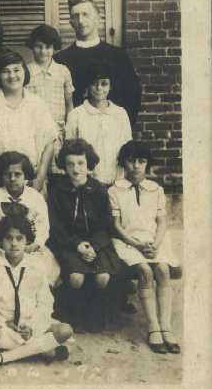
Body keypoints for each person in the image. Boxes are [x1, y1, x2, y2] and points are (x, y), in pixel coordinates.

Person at [109, 141, 181, 354]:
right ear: (124, 163)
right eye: (131, 161)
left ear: (147, 164)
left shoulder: (155, 189)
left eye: (141, 161)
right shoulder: (115, 190)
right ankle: (153, 327)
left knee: (163, 269)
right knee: (145, 270)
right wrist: (137, 244)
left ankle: (166, 327)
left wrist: (156, 244)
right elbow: (116, 226)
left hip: (153, 240)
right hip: (128, 241)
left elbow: (162, 222)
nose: (136, 166)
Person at [47, 139, 123, 332]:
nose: (76, 169)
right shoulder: (57, 191)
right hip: (69, 243)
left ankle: (95, 315)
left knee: (103, 277)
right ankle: (75, 316)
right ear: (64, 166)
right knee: (76, 277)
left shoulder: (98, 190)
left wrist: (94, 246)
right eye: (70, 164)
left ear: (88, 164)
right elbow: (56, 226)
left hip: (98, 243)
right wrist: (78, 245)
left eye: (80, 163)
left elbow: (106, 225)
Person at [0, 214, 73, 366]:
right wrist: (3, 323)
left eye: (19, 238)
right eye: (9, 238)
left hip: (29, 327)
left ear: (27, 240)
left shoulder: (37, 266)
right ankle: (42, 350)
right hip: (4, 328)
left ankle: (5, 357)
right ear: (1, 241)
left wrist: (32, 327)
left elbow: (45, 303)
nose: (14, 243)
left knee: (65, 330)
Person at [0, 51, 58, 192]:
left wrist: (39, 178)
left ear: (24, 71)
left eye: (16, 70)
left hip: (31, 181)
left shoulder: (37, 104)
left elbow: (50, 143)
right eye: (6, 72)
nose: (12, 76)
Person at [54, 0, 142, 126]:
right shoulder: (60, 59)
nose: (81, 20)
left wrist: (119, 126)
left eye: (86, 14)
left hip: (111, 130)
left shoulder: (117, 56)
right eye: (76, 16)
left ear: (98, 18)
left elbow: (132, 95)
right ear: (71, 22)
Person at [0, 151, 60, 286]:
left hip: (30, 248)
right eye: (8, 175)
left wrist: (35, 244)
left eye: (17, 174)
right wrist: (4, 245)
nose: (12, 178)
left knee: (38, 271)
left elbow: (43, 227)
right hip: (4, 248)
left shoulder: (36, 198)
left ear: (26, 176)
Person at [66, 66, 132, 186]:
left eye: (104, 84)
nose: (99, 88)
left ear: (110, 86)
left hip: (117, 182)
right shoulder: (76, 115)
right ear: (87, 86)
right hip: (86, 183)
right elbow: (70, 152)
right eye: (94, 84)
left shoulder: (120, 113)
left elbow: (127, 148)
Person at [24, 24, 74, 175]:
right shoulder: (26, 71)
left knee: (58, 173)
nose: (43, 51)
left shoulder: (63, 71)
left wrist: (69, 131)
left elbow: (69, 104)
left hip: (57, 131)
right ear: (32, 47)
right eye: (38, 47)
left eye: (48, 47)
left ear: (54, 47)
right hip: (33, 131)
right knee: (36, 171)